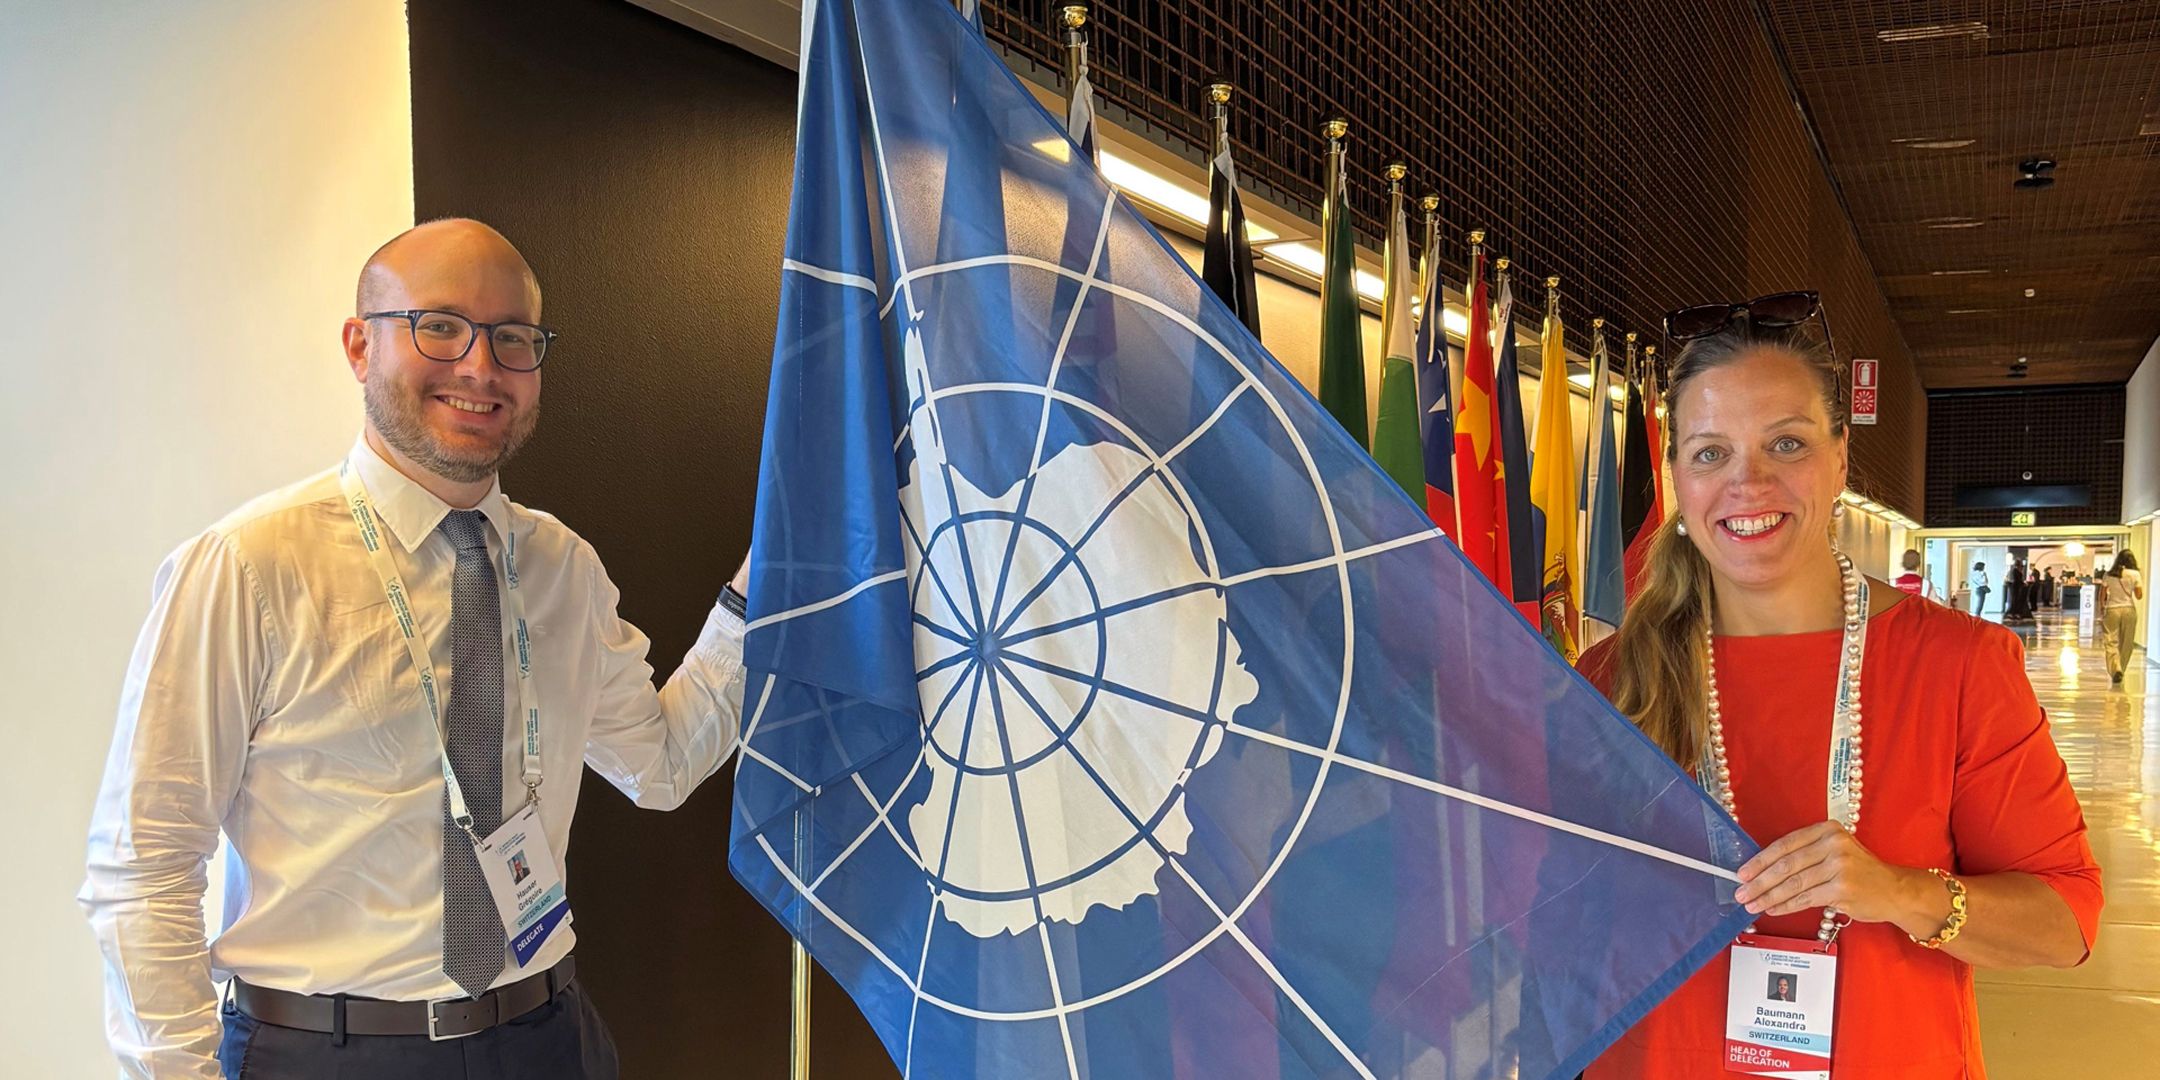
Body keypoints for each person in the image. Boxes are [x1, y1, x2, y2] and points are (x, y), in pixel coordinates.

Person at [79, 220, 752, 1079]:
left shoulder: (562, 567)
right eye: (440, 326)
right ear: (361, 346)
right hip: (326, 1053)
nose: (480, 367)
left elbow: (658, 764)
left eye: (513, 339)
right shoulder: (249, 568)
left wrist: (757, 590)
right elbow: (144, 867)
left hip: (550, 1038)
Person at [1580, 294, 2101, 1077]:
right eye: (1710, 452)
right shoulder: (1611, 677)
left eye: (1784, 444)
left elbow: (2066, 925)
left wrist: (1900, 893)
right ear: (1678, 479)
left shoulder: (1956, 666)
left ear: (1839, 459)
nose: (1747, 483)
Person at [2101, 551, 2145, 686]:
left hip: (2112, 609)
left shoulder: (2108, 574)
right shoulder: (2135, 574)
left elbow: (2102, 594)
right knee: (2127, 642)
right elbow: (2139, 595)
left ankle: (2116, 669)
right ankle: (2121, 669)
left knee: (2110, 641)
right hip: (2128, 610)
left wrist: (2102, 608)